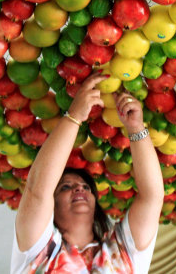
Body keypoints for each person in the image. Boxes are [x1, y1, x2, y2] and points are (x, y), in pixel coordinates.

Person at [11, 73, 164, 274]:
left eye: (85, 187)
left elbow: (152, 197)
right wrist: (74, 117)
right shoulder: (38, 250)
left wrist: (136, 128)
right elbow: (37, 191)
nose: (78, 189)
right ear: (52, 207)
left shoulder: (120, 250)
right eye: (65, 187)